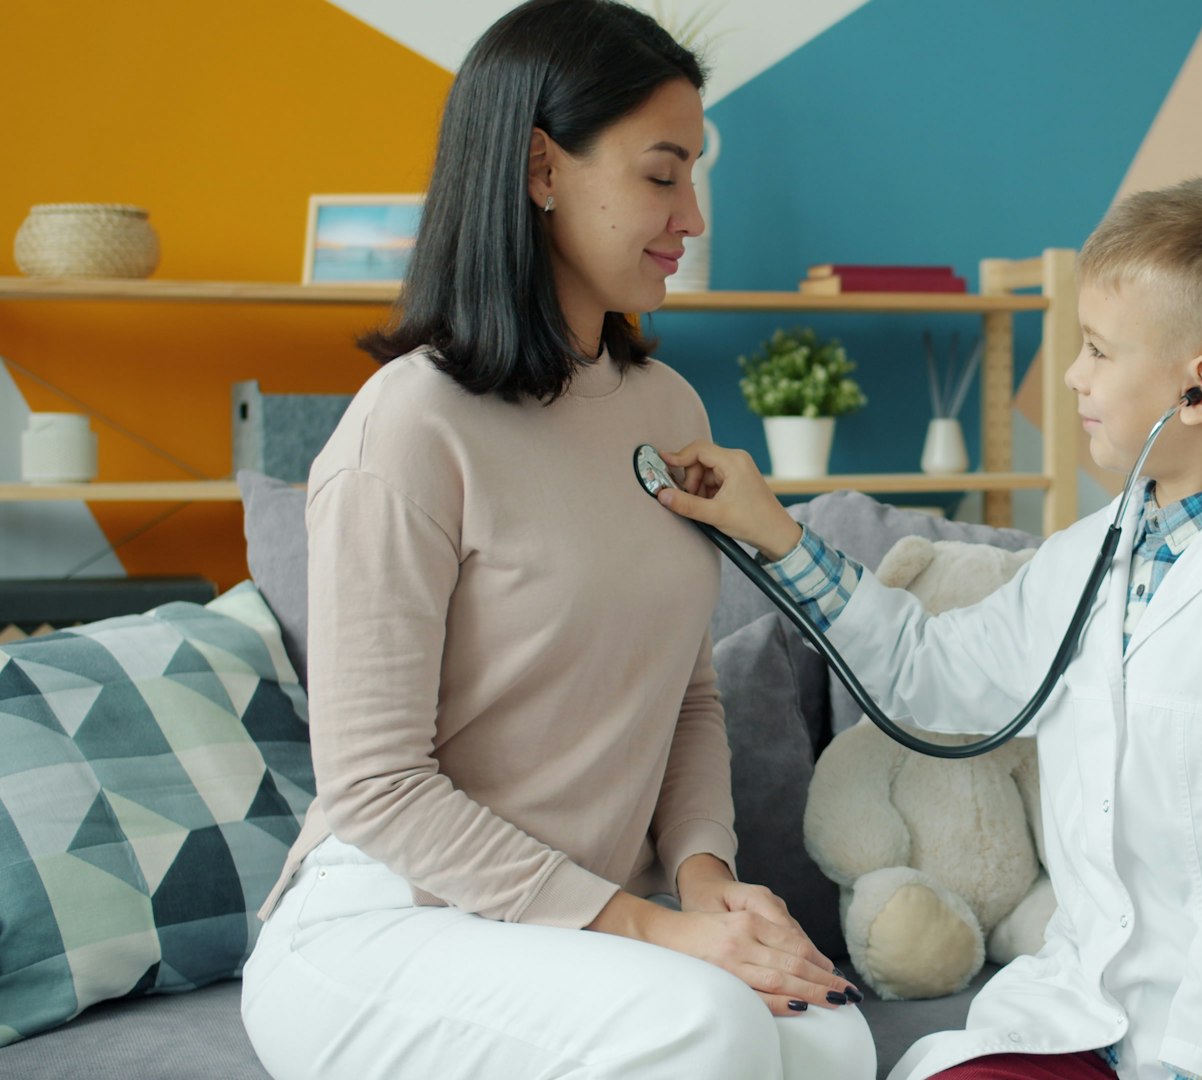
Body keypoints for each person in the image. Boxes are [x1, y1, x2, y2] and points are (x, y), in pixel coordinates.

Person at [238, 2, 873, 1077]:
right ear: (541, 168)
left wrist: (707, 879)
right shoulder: (409, 423)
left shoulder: (666, 410)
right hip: (389, 916)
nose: (694, 217)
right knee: (710, 1028)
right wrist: (658, 930)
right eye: (663, 174)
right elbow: (377, 786)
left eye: (695, 174)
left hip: (572, 925)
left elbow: (685, 694)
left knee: (830, 1045)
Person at [657, 174, 1202, 1080]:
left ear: (1198, 389)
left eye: (1096, 349)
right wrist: (772, 529)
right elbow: (925, 671)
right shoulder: (1093, 553)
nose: (1072, 376)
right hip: (1078, 1010)